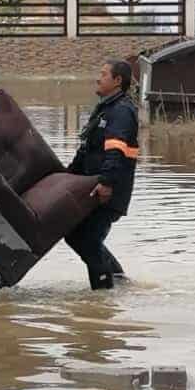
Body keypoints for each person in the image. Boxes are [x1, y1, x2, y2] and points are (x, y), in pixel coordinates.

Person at [66, 58, 139, 289]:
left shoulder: (122, 111)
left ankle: (103, 297)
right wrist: (65, 177)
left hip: (109, 190)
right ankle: (118, 281)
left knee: (86, 240)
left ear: (118, 81)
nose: (98, 78)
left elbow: (116, 150)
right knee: (79, 236)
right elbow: (87, 150)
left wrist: (107, 183)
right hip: (94, 187)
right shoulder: (105, 109)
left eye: (103, 74)